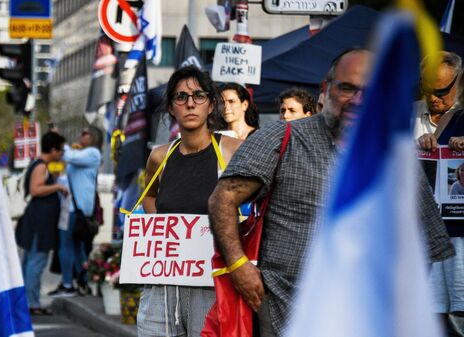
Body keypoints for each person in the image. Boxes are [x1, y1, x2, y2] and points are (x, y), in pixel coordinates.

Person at [208, 49, 455, 337]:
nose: (358, 100)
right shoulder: (283, 137)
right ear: (326, 90)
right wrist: (239, 267)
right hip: (284, 314)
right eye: (347, 88)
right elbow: (222, 199)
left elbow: (426, 240)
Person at [137, 66, 242, 337]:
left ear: (211, 104)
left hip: (213, 285)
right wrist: (164, 227)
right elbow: (149, 196)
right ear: (172, 108)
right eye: (181, 97)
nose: (190, 103)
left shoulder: (231, 151)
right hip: (162, 284)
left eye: (198, 95)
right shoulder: (159, 157)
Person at [417, 61, 464, 336]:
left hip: (460, 239)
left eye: (442, 90)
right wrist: (420, 149)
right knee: (433, 313)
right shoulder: (442, 118)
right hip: (431, 234)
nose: (433, 97)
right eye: (427, 90)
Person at [16, 131, 67, 315]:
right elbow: (35, 189)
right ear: (52, 150)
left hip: (36, 222)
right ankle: (32, 303)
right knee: (36, 263)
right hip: (39, 224)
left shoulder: (39, 165)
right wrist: (58, 186)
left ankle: (26, 301)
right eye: (60, 150)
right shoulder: (40, 167)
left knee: (30, 262)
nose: (62, 154)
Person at [49, 126, 103, 297]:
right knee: (78, 247)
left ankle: (67, 284)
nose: (81, 135)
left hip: (75, 209)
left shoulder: (93, 153)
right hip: (73, 207)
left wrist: (58, 139)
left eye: (85, 133)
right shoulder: (80, 156)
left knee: (65, 246)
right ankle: (82, 282)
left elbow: (69, 156)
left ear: (94, 138)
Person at [414, 51, 462, 138]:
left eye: (441, 92)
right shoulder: (408, 114)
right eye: (427, 91)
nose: (432, 99)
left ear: (458, 82)